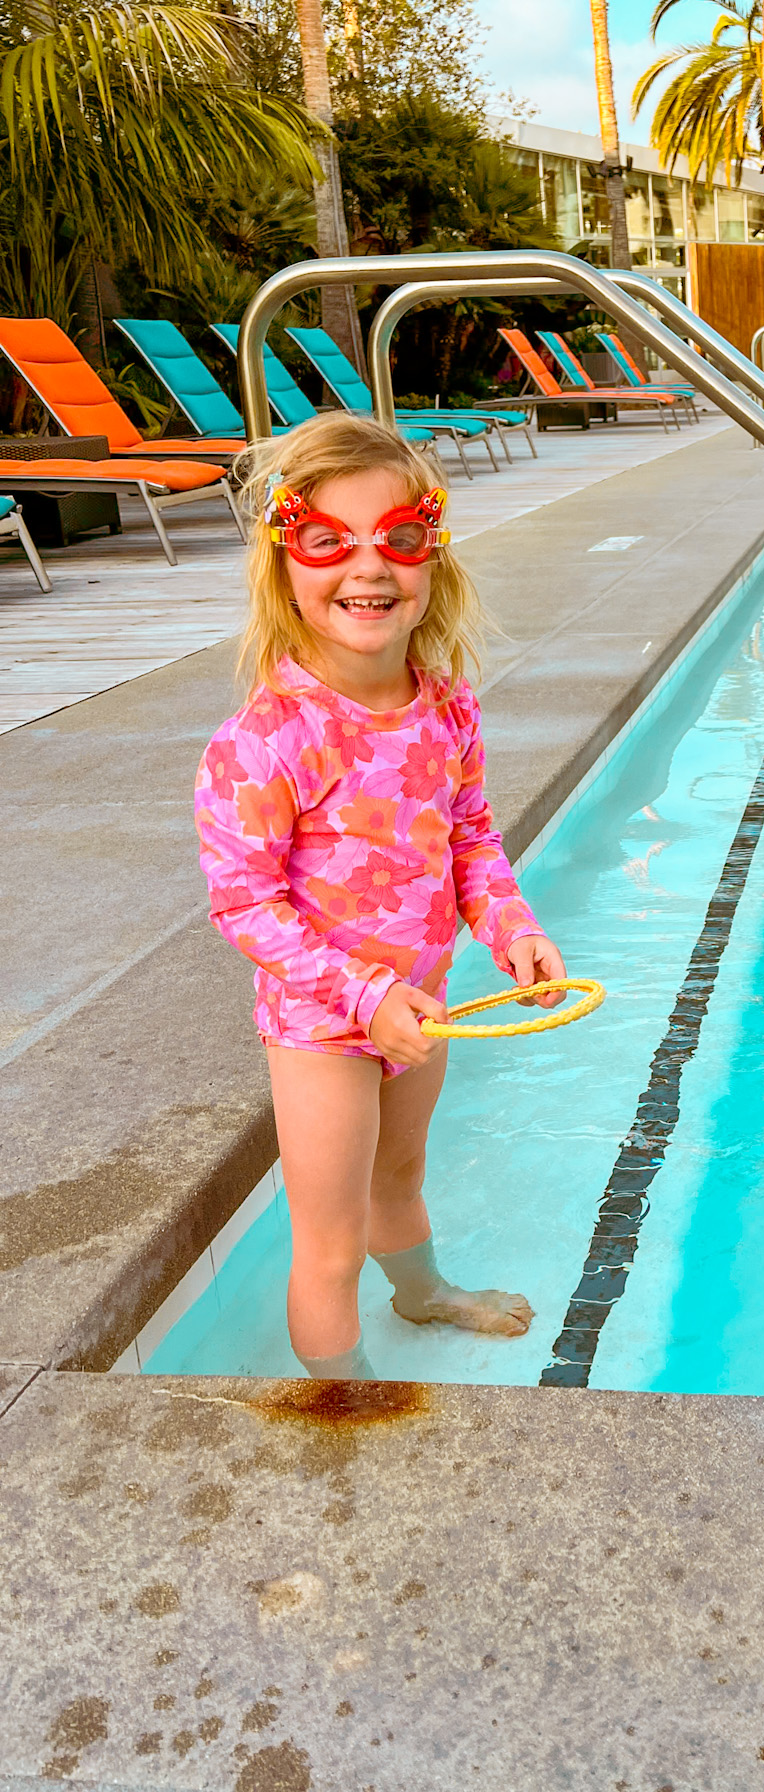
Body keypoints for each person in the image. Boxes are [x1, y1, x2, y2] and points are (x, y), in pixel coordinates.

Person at [194, 412, 565, 1381]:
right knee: (328, 1236)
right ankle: (349, 1405)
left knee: (401, 1175)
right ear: (285, 563)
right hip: (324, 1024)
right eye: (326, 539)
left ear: (432, 557)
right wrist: (363, 997)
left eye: (398, 537)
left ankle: (422, 1290)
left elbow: (473, 837)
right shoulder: (265, 740)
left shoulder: (446, 704)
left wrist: (512, 929)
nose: (368, 566)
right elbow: (244, 905)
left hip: (424, 1002)